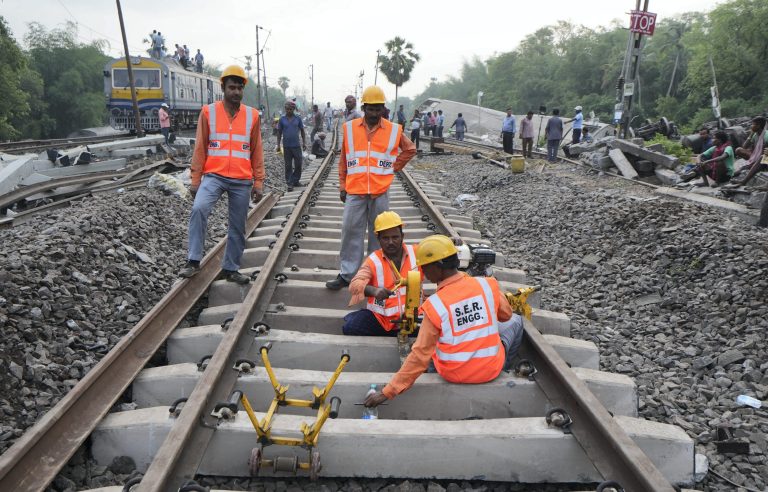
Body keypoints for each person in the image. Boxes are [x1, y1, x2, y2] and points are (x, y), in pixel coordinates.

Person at [363, 235, 525, 408]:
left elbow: (419, 355)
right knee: (516, 320)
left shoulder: (435, 305)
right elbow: (506, 315)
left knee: (435, 341)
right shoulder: (487, 285)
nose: (423, 273)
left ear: (438, 267)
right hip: (490, 370)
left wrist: (387, 392)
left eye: (425, 267)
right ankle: (506, 365)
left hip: (453, 373)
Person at [325, 86, 417, 290]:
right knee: (350, 232)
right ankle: (348, 274)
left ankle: (377, 274)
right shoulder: (349, 129)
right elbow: (343, 160)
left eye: (378, 109)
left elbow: (410, 149)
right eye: (371, 109)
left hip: (380, 191)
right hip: (355, 190)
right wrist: (342, 185)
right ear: (364, 107)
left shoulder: (394, 130)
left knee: (381, 235)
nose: (374, 113)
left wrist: (393, 167)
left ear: (383, 109)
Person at [179, 65, 264, 284]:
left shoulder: (252, 116)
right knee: (199, 209)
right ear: (223, 88)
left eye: (239, 88)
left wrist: (259, 182)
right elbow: (200, 147)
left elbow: (257, 150)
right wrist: (195, 180)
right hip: (213, 176)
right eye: (231, 87)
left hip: (241, 180)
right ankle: (193, 260)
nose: (235, 92)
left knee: (237, 225)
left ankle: (231, 268)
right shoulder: (209, 112)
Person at [342, 211, 423, 335]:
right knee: (351, 327)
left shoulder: (416, 252)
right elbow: (354, 285)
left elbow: (435, 249)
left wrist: (451, 242)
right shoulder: (373, 261)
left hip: (413, 319)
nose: (390, 242)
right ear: (378, 239)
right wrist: (374, 291)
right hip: (382, 320)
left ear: (402, 236)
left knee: (438, 327)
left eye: (395, 237)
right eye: (385, 238)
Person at [276, 100, 307, 192]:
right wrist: (278, 144)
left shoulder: (298, 119)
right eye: (287, 109)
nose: (288, 111)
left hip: (296, 145)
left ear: (293, 109)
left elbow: (302, 131)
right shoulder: (282, 119)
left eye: (290, 109)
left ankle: (295, 180)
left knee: (298, 164)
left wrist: (304, 143)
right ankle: (289, 183)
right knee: (288, 165)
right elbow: (279, 132)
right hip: (287, 146)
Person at [731, 117, 767, 186]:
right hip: (756, 156)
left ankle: (744, 181)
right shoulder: (755, 135)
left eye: (752, 124)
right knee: (738, 150)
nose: (751, 126)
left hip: (764, 158)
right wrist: (751, 134)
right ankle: (751, 165)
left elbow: (765, 152)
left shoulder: (766, 135)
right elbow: (744, 147)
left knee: (762, 157)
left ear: (758, 125)